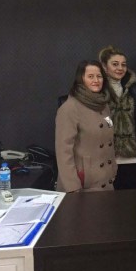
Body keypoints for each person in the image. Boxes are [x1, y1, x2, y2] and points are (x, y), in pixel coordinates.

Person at [55, 60, 117, 192]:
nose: (96, 80)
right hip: (82, 186)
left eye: (99, 76)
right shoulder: (70, 108)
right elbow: (63, 152)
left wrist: (113, 169)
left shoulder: (104, 105)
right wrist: (73, 188)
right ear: (81, 79)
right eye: (90, 76)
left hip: (106, 180)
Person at [98, 45, 136, 189]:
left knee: (133, 197)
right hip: (107, 155)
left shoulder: (133, 89)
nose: (120, 68)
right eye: (115, 64)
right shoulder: (98, 90)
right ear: (105, 67)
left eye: (123, 64)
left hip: (132, 155)